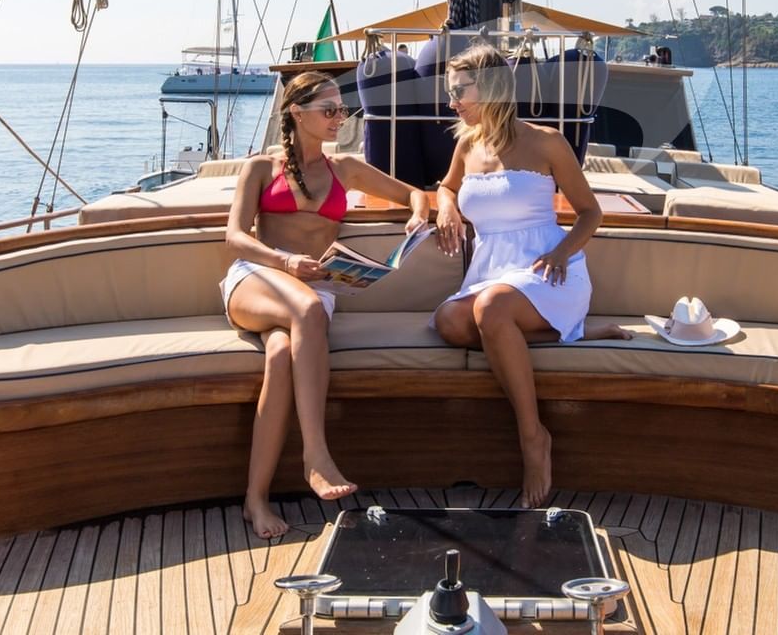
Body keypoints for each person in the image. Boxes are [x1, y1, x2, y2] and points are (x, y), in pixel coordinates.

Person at [223, 70, 431, 539]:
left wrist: (418, 214)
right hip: (257, 279)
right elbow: (234, 236)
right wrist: (285, 260)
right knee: (308, 311)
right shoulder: (260, 168)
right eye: (330, 110)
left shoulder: (346, 168)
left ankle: (255, 499)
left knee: (280, 354)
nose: (341, 118)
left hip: (312, 289)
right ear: (298, 113)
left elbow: (414, 193)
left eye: (343, 109)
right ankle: (315, 454)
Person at [430, 43, 629, 508]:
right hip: (492, 272)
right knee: (449, 323)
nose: (452, 102)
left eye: (460, 91)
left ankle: (533, 437)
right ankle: (573, 333)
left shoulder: (547, 142)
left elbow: (590, 213)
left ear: (492, 87)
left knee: (490, 309)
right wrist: (445, 206)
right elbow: (446, 186)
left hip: (548, 270)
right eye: (450, 92)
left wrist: (561, 252)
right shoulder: (468, 144)